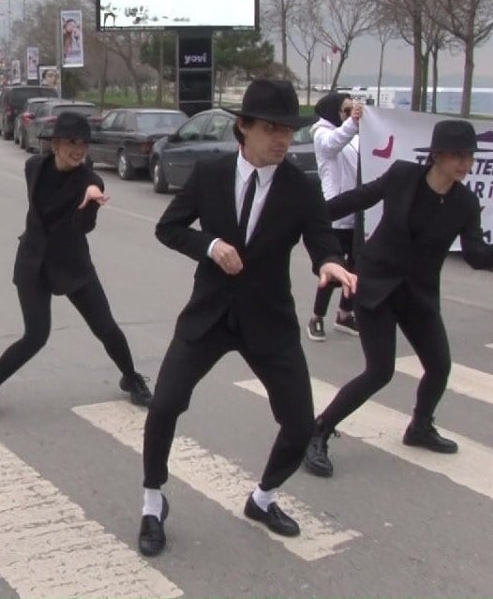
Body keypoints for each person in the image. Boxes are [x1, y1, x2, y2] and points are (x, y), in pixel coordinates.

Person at [137, 79, 356, 557]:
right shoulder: (210, 174)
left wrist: (328, 263)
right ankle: (153, 503)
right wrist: (210, 247)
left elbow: (321, 239)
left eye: (289, 130)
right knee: (164, 406)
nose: (283, 139)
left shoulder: (301, 187)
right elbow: (168, 228)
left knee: (300, 424)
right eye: (272, 129)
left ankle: (263, 498)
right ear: (244, 128)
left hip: (268, 319)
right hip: (209, 315)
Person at [303, 120, 493, 476]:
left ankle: (419, 427)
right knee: (379, 371)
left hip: (418, 292)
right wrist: (310, 217)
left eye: (469, 156)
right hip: (377, 285)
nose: (465, 164)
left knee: (439, 366)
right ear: (436, 155)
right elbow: (358, 199)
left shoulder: (466, 202)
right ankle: (319, 431)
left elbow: (476, 255)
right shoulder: (403, 176)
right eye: (457, 156)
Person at [0, 112, 152, 423]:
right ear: (55, 144)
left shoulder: (89, 181)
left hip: (72, 263)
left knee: (106, 327)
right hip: (34, 263)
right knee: (36, 336)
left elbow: (84, 225)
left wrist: (90, 201)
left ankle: (131, 377)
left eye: (83, 144)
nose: (78, 149)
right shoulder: (34, 167)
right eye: (71, 143)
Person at [306, 92, 363, 342]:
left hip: (357, 212)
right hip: (336, 213)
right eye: (345, 110)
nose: (349, 114)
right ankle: (317, 317)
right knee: (333, 269)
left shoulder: (353, 135)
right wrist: (353, 122)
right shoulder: (322, 134)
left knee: (355, 269)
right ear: (333, 111)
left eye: (352, 109)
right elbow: (333, 143)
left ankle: (345, 313)